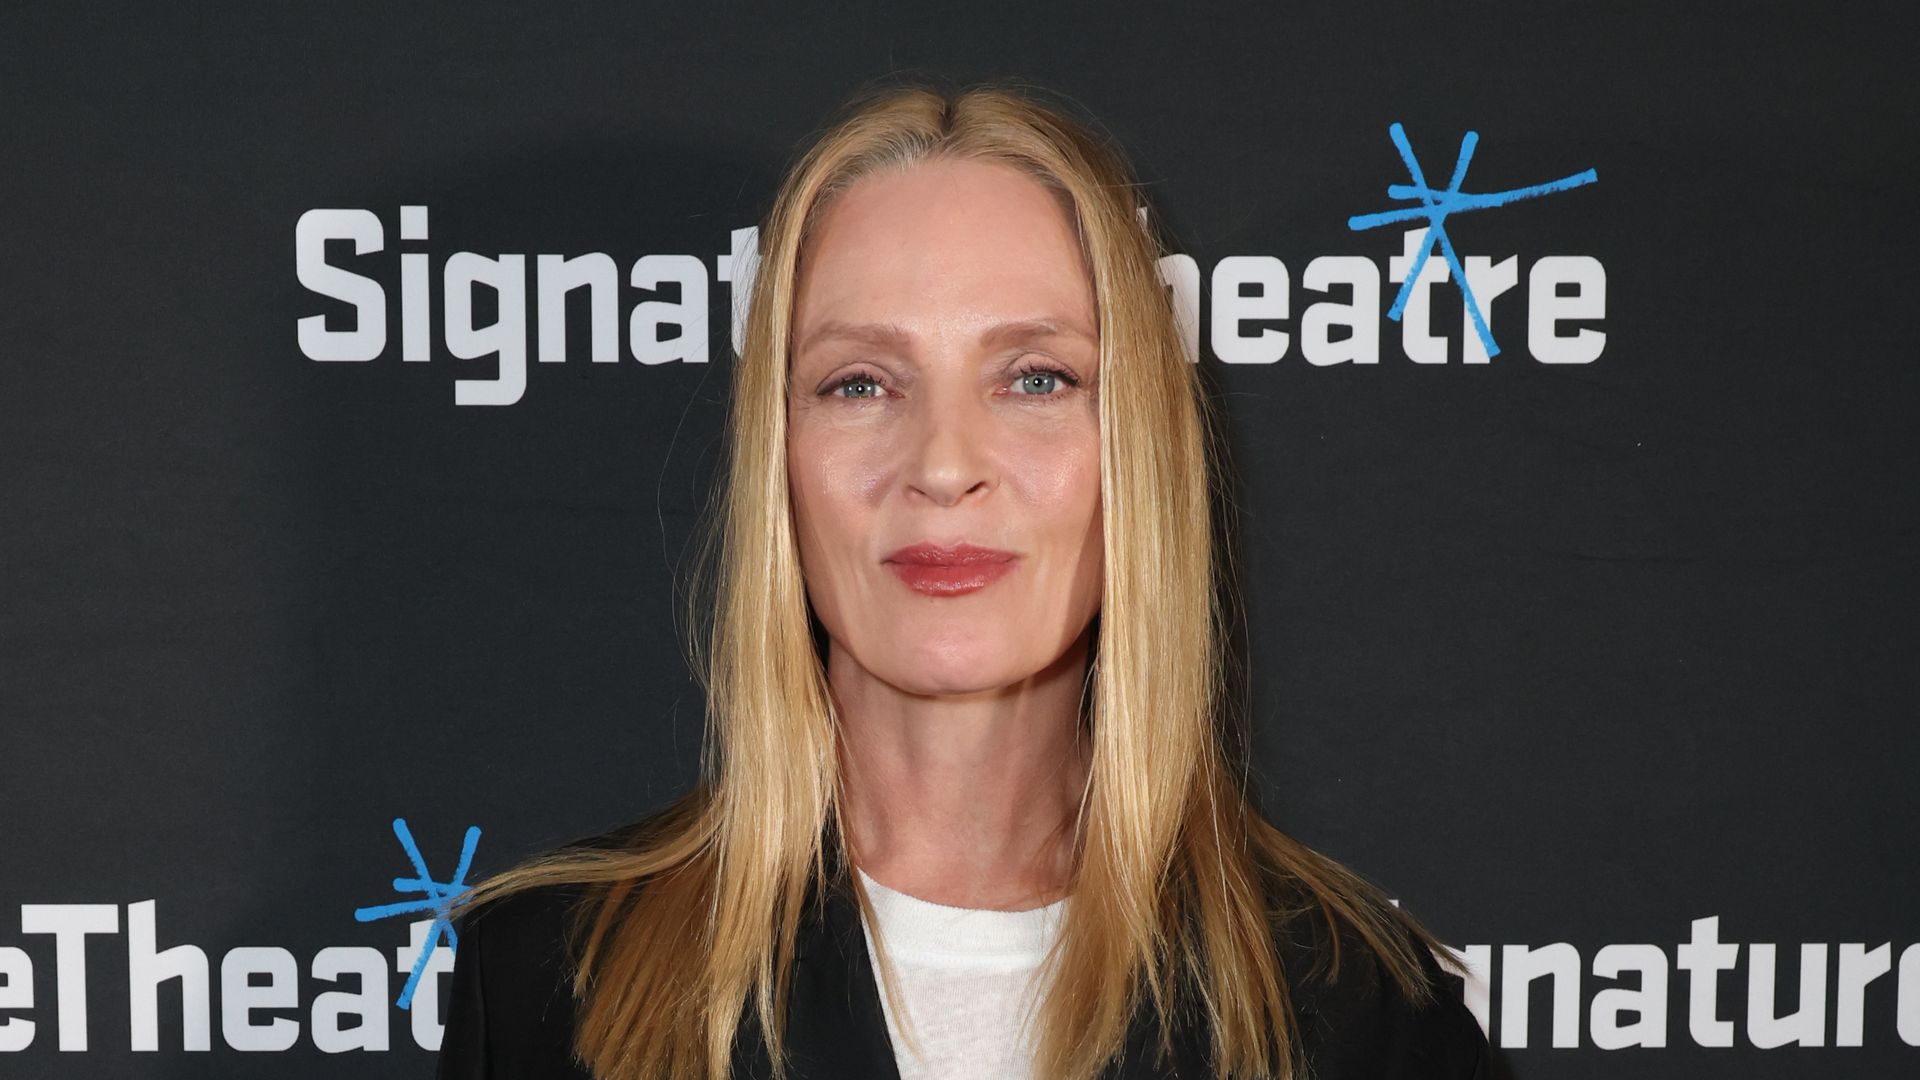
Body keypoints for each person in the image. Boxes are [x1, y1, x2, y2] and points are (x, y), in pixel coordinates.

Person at [435, 76, 1493, 1080]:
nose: (944, 464)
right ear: (778, 457)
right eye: (859, 383)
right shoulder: (547, 981)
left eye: (1037, 378)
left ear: (1139, 449)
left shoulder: (1365, 1014)